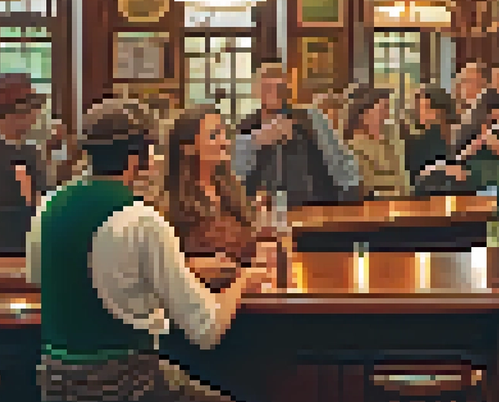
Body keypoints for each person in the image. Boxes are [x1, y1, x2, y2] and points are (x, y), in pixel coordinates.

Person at [31, 99, 273, 402]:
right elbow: (208, 329)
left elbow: (39, 277)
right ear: (137, 159)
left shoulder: (49, 204)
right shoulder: (140, 218)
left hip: (52, 381)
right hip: (122, 384)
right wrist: (244, 279)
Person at [163, 105, 269, 292]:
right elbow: (156, 268)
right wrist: (192, 266)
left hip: (246, 297)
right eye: (213, 136)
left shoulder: (231, 188)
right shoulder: (169, 202)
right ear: (187, 148)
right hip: (200, 304)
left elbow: (249, 246)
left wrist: (263, 246)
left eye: (223, 133)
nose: (225, 142)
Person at [233, 62, 361, 207]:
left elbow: (342, 164)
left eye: (279, 87)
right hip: (261, 211)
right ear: (256, 91)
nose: (274, 93)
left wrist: (347, 203)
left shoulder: (311, 119)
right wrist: (256, 141)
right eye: (267, 88)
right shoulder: (245, 127)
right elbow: (235, 174)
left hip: (313, 207)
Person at [0, 73, 46, 254]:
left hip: (27, 245)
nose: (37, 114)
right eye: (34, 107)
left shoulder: (29, 151)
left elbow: (39, 199)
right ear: (15, 112)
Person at [345, 87, 410, 199]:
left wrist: (393, 140)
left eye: (388, 110)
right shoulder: (354, 146)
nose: (386, 116)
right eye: (383, 109)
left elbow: (403, 181)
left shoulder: (388, 141)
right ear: (365, 114)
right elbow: (368, 184)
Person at [405, 85, 460, 192]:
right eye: (419, 108)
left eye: (426, 108)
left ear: (441, 110)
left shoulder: (457, 135)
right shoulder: (417, 142)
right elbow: (415, 178)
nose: (421, 113)